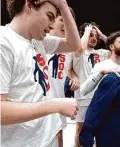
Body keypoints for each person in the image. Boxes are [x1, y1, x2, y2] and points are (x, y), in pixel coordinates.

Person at [1, 0, 80, 147]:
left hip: (47, 137)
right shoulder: (4, 42)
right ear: (29, 5)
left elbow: (74, 44)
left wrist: (63, 5)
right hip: (22, 142)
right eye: (49, 16)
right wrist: (55, 104)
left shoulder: (38, 41)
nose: (51, 25)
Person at [71, 22, 110, 147]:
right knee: (80, 129)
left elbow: (115, 48)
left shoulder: (102, 53)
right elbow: (80, 48)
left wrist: (102, 35)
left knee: (100, 130)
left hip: (99, 97)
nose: (94, 38)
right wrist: (87, 32)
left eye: (95, 36)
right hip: (83, 97)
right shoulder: (78, 53)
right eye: (91, 36)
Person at [47, 7, 77, 147]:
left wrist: (74, 76)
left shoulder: (68, 50)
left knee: (59, 135)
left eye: (68, 20)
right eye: (62, 19)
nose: (66, 24)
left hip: (59, 99)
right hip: (40, 102)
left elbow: (70, 69)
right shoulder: (41, 41)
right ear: (52, 21)